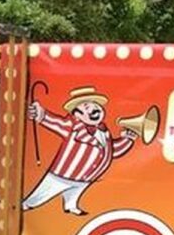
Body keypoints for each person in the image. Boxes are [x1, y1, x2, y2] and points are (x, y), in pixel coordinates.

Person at [22, 86, 137, 215]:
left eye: (95, 105)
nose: (93, 109)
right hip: (63, 175)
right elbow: (56, 122)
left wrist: (128, 139)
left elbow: (112, 151)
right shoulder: (73, 126)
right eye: (87, 107)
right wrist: (39, 113)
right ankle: (27, 204)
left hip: (85, 178)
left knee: (74, 193)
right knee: (44, 193)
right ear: (77, 114)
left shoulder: (103, 132)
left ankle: (70, 206)